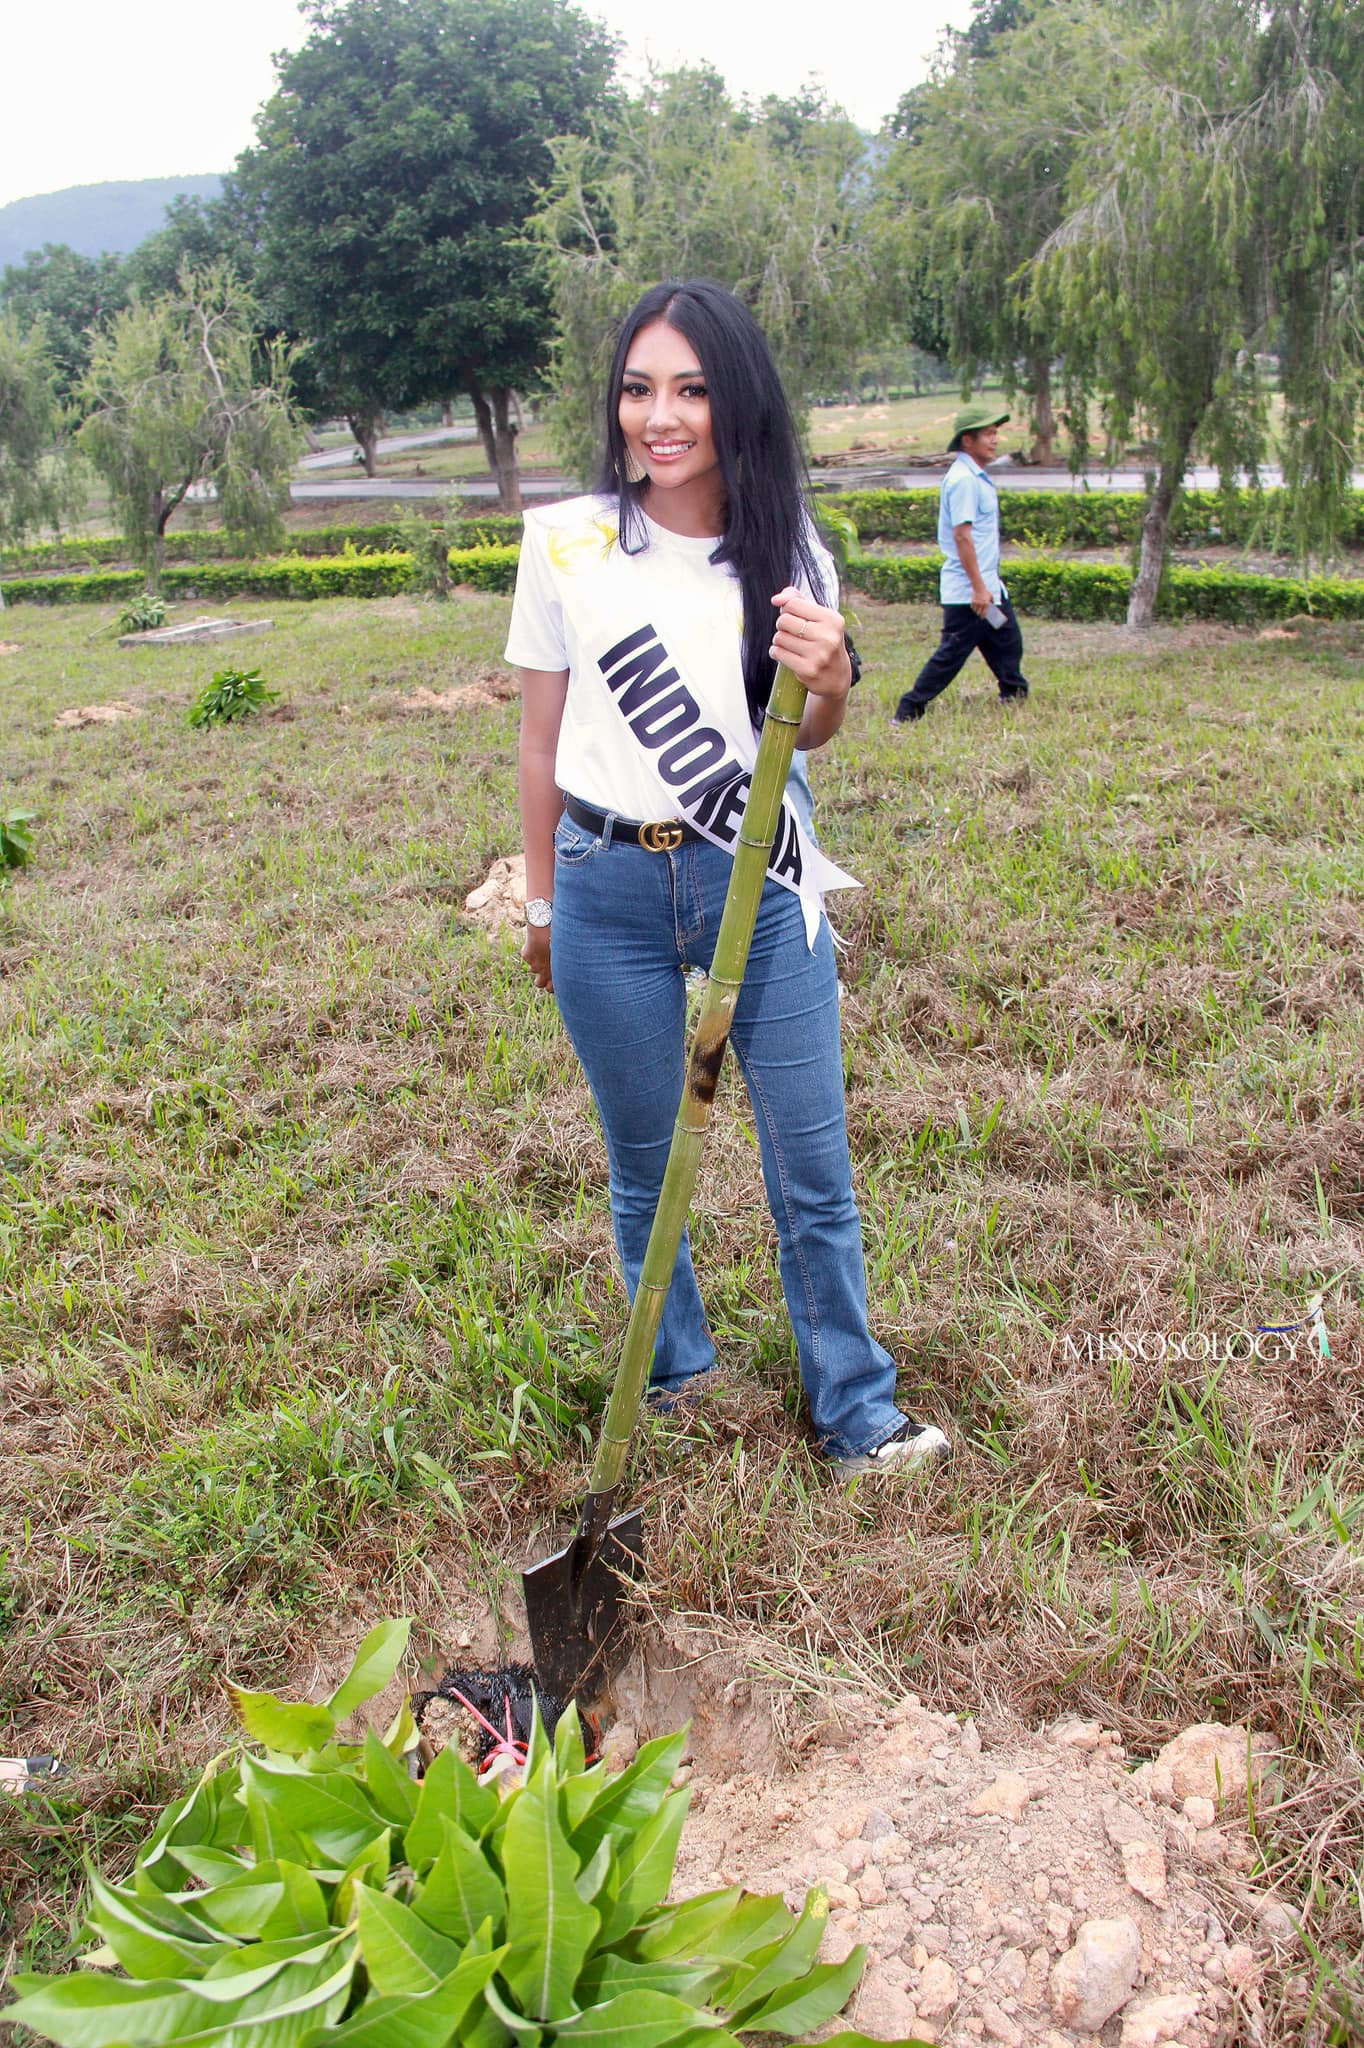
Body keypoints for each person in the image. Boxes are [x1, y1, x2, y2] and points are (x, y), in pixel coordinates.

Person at [508, 278, 949, 1478]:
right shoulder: (565, 544)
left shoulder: (788, 545)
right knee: (646, 1159)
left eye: (691, 389)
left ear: (732, 401)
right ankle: (679, 1374)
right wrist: (541, 897)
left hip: (752, 868)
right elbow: (538, 742)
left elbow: (801, 735)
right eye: (639, 387)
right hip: (602, 884)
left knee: (810, 1160)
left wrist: (837, 680)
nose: (661, 415)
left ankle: (856, 1410)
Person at [893, 404, 1031, 723]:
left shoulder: (975, 476)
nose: (995, 440)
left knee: (1006, 635)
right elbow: (962, 537)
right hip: (970, 595)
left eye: (996, 434)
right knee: (952, 654)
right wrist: (980, 589)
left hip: (988, 589)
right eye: (988, 434)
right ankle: (910, 708)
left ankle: (1014, 692)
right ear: (967, 441)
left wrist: (990, 587)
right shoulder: (964, 480)